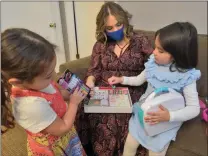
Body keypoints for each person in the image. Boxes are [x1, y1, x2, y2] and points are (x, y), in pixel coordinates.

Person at [108, 22, 201, 156]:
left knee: (155, 152)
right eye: (155, 47)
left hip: (164, 125)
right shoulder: (153, 64)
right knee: (129, 145)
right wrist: (122, 79)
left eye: (160, 50)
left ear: (177, 54)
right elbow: (139, 79)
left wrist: (169, 116)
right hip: (142, 116)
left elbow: (194, 108)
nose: (154, 52)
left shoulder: (187, 76)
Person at [76, 2, 153, 156]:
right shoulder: (100, 44)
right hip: (104, 88)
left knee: (118, 116)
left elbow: (153, 67)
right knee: (85, 108)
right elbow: (94, 69)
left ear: (125, 20)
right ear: (103, 28)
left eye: (119, 24)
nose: (116, 30)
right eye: (109, 28)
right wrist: (90, 82)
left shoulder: (140, 41)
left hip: (132, 87)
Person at [1, 28, 87, 156]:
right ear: (18, 82)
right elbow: (62, 128)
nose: (54, 76)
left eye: (53, 70)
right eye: (48, 75)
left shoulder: (36, 83)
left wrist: (66, 94)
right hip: (55, 147)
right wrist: (74, 103)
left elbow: (54, 94)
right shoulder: (31, 105)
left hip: (64, 135)